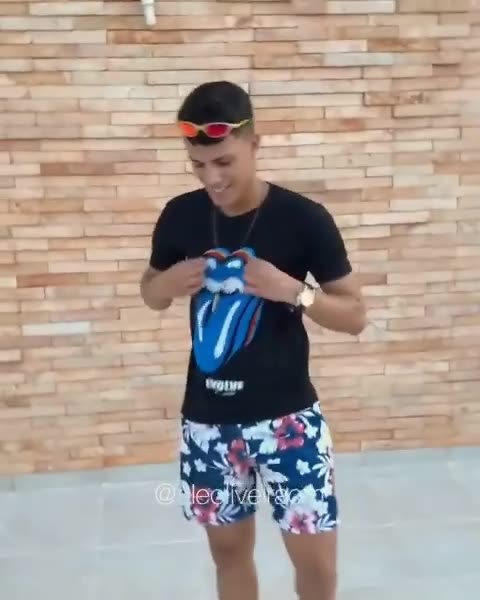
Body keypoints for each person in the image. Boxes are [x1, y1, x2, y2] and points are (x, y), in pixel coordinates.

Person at [140, 80, 367, 600]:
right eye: (198, 165)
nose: (211, 178)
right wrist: (167, 284)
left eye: (223, 162)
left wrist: (293, 291)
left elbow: (355, 317)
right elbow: (151, 293)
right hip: (206, 425)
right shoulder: (180, 215)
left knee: (316, 566)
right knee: (228, 555)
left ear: (254, 143)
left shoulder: (304, 219)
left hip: (289, 423)